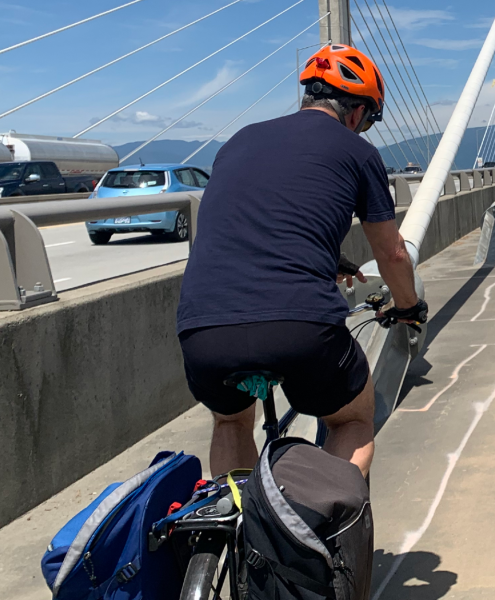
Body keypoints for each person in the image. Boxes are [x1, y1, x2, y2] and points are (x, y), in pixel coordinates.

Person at [176, 44, 428, 478]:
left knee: (231, 420)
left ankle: (237, 535)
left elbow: (256, 230)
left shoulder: (236, 143)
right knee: (351, 419)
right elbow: (392, 253)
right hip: (299, 331)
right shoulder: (358, 153)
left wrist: (326, 261)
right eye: (368, 120)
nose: (363, 130)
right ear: (355, 113)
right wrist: (408, 308)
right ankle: (318, 529)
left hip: (203, 330)